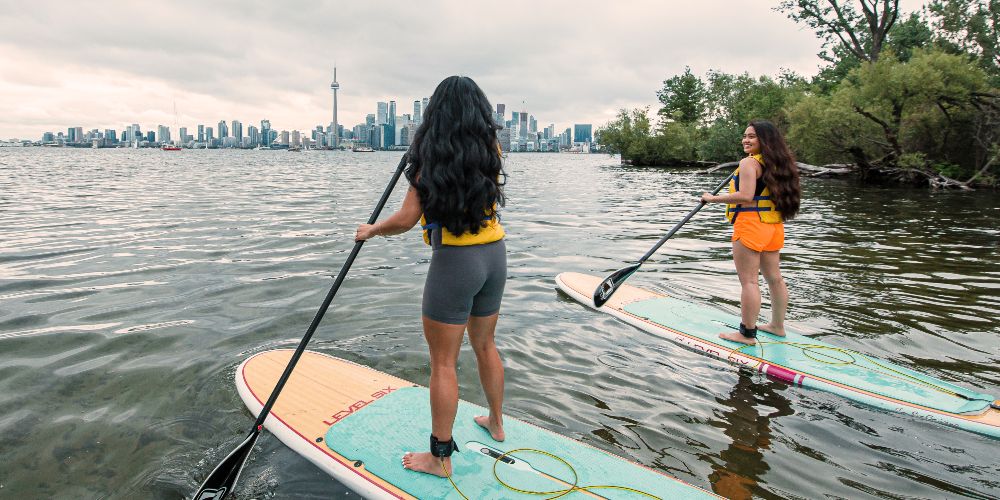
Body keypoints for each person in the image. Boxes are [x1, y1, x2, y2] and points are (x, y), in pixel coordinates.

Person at [355, 76, 507, 478]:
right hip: (495, 257)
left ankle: (440, 458)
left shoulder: (428, 160)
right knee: (486, 345)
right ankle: (496, 421)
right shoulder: (490, 150)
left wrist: (373, 230)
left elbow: (406, 220)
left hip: (455, 264)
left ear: (433, 114)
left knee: (443, 364)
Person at [700, 120, 801, 345]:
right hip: (772, 227)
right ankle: (777, 326)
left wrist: (713, 198)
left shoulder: (749, 163)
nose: (746, 140)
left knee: (749, 282)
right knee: (774, 279)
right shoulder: (779, 163)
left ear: (764, 140)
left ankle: (746, 334)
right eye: (745, 136)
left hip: (751, 226)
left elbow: (745, 196)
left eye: (752, 136)